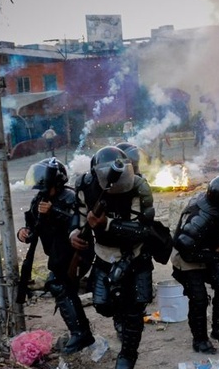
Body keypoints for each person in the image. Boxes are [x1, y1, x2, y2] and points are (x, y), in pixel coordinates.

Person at [69, 146, 157, 369]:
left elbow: (144, 229)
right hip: (103, 254)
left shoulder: (139, 187)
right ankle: (120, 317)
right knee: (102, 304)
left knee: (134, 309)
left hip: (134, 255)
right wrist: (74, 234)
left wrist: (108, 224)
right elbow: (77, 215)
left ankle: (127, 355)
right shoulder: (85, 185)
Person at [18, 158, 95, 355]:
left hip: (77, 254)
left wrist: (54, 211)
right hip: (58, 254)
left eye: (46, 187)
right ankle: (80, 332)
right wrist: (24, 233)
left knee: (59, 285)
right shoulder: (39, 200)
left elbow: (78, 223)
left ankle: (81, 333)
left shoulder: (69, 197)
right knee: (61, 286)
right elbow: (33, 225)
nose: (43, 192)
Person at [171, 175, 219, 354]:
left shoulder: (215, 205)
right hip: (187, 260)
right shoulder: (199, 219)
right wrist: (214, 256)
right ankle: (200, 340)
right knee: (199, 299)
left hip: (205, 251)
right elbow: (185, 248)